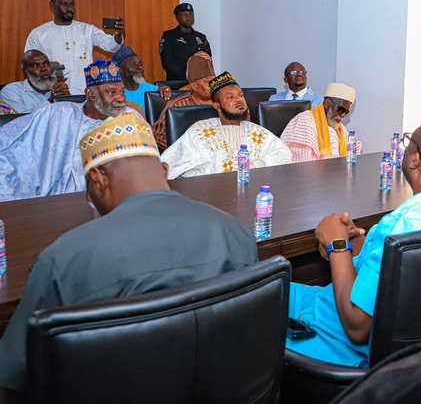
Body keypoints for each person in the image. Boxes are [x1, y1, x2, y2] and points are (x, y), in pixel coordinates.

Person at [0, 113, 258, 391]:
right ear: (164, 170)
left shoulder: (64, 258)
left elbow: (14, 375)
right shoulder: (237, 232)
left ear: (98, 179)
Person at [286, 116, 421, 367]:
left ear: (415, 158)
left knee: (245, 310)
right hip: (414, 344)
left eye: (409, 142)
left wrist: (337, 246)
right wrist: (361, 241)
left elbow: (357, 327)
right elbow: (394, 272)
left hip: (342, 342)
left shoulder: (403, 228)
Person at [0, 60, 138, 202]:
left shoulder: (131, 118)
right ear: (90, 94)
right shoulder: (60, 113)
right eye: (112, 92)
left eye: (122, 92)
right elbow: (13, 138)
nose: (120, 98)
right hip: (62, 199)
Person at [161, 72, 291, 178]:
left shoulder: (257, 132)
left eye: (240, 95)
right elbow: (180, 167)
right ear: (217, 106)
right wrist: (229, 166)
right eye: (230, 97)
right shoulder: (200, 131)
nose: (239, 99)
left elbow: (283, 155)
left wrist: (253, 166)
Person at [25, 0, 125, 94]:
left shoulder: (87, 29)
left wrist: (118, 34)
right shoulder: (38, 34)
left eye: (72, 5)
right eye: (64, 4)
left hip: (85, 94)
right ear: (52, 5)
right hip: (54, 94)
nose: (69, 8)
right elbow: (30, 66)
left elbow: (111, 46)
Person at [153, 52, 216, 149]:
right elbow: (157, 137)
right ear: (194, 86)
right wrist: (183, 148)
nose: (214, 85)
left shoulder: (222, 102)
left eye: (215, 81)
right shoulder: (176, 105)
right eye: (208, 83)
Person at [280, 83, 356, 162]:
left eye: (346, 112)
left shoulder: (341, 129)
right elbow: (304, 161)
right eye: (341, 110)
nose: (343, 115)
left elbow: (349, 156)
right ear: (327, 103)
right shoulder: (304, 121)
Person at [0, 50, 70, 113]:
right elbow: (19, 121)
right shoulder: (11, 91)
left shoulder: (58, 90)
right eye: (35, 65)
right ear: (25, 72)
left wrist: (68, 99)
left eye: (47, 63)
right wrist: (51, 100)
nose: (43, 68)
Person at [159, 3, 211, 81]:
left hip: (199, 82)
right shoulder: (169, 36)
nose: (188, 17)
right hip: (177, 82)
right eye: (184, 14)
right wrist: (187, 76)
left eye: (190, 14)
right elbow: (167, 63)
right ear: (177, 17)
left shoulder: (201, 37)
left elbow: (208, 57)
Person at [112, 45, 171, 111]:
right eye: (133, 64)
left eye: (140, 64)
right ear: (120, 69)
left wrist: (166, 91)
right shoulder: (114, 95)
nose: (140, 67)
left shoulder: (152, 90)